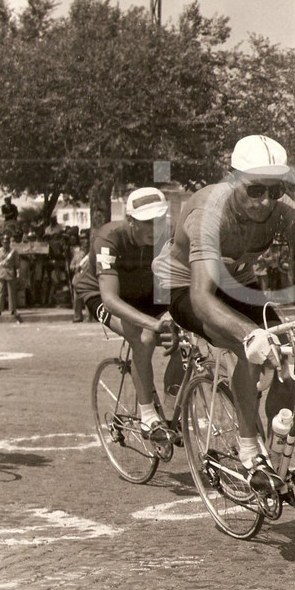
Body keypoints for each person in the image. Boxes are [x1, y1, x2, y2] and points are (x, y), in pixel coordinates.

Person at [151, 135, 295, 491]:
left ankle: (272, 455)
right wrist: (248, 334)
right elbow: (202, 299)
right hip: (186, 285)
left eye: (275, 190)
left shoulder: (282, 210)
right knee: (249, 347)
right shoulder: (209, 213)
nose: (266, 200)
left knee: (286, 354)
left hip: (237, 280)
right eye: (254, 190)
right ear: (232, 179)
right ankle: (249, 452)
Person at [76, 188, 178, 439]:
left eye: (158, 220)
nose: (154, 228)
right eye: (146, 222)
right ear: (130, 220)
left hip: (145, 292)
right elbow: (110, 300)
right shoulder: (109, 238)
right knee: (142, 338)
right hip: (103, 294)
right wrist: (153, 324)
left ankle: (172, 404)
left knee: (185, 336)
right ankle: (148, 417)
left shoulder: (170, 235)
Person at [0, 233, 23, 322]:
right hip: (0, 273)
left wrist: (18, 273)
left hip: (10, 273)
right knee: (0, 291)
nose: (6, 243)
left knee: (11, 292)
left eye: (7, 241)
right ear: (1, 242)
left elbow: (17, 264)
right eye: (4, 242)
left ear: (9, 242)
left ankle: (13, 309)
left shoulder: (13, 252)